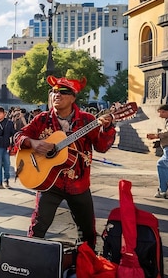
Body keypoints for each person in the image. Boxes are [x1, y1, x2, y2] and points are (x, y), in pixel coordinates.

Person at [16, 76, 115, 250]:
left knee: (87, 233)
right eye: (54, 92)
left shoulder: (87, 120)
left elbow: (102, 147)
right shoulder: (42, 119)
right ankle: (30, 262)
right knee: (38, 228)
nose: (57, 95)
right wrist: (33, 143)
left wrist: (107, 129)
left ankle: (84, 266)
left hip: (78, 183)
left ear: (73, 97)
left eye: (63, 92)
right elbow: (18, 136)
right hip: (48, 183)